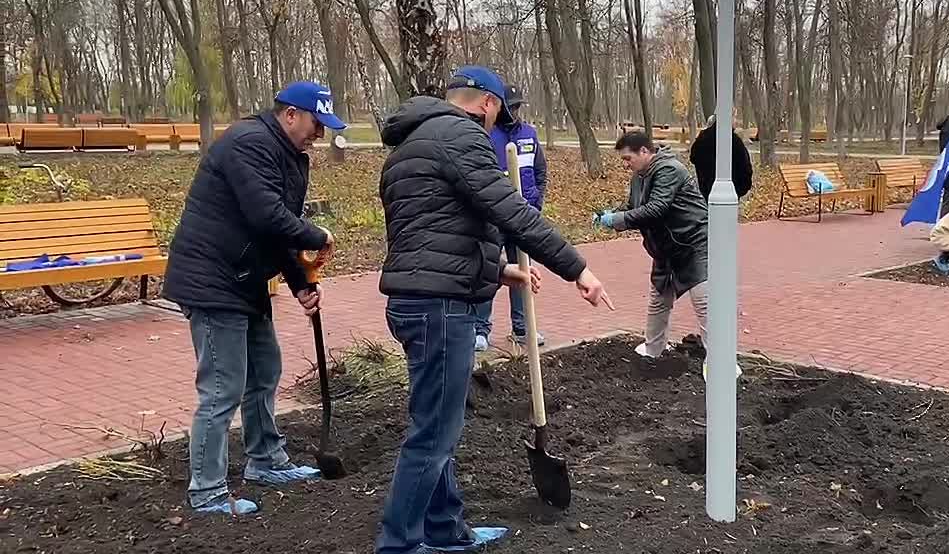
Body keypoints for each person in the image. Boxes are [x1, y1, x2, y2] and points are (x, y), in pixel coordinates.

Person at [375, 65, 613, 554]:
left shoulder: (409, 146)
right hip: (441, 307)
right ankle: (398, 545)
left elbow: (430, 231)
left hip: (415, 301)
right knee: (434, 433)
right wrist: (578, 269)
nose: (498, 120)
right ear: (487, 103)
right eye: (499, 110)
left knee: (436, 422)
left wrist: (497, 269)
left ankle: (445, 529)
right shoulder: (461, 136)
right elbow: (511, 211)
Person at [163, 82, 342, 515]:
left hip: (243, 278)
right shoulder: (249, 143)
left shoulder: (290, 155)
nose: (319, 134)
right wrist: (317, 235)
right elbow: (267, 213)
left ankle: (265, 460)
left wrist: (301, 283)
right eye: (317, 123)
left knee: (264, 370)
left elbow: (275, 229)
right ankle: (206, 492)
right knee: (222, 388)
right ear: (292, 115)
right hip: (212, 278)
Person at [597, 131, 728, 370]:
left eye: (628, 159)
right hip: (666, 250)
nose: (626, 165)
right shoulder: (639, 177)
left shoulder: (669, 170)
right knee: (659, 300)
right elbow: (633, 207)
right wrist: (611, 215)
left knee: (705, 303)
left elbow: (657, 208)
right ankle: (653, 352)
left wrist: (619, 219)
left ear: (645, 152)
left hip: (693, 244)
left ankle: (721, 362)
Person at [474, 85, 548, 351]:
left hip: (524, 217)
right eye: (511, 106)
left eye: (518, 107)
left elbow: (540, 171)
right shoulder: (487, 134)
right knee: (491, 272)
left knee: (523, 273)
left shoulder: (529, 134)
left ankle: (522, 327)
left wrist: (536, 201)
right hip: (495, 218)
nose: (515, 112)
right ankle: (480, 329)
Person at [688, 114, 754, 201]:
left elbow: (693, 157)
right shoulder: (734, 141)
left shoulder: (702, 139)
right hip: (731, 192)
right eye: (734, 117)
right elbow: (745, 167)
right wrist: (741, 189)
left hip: (706, 190)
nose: (736, 121)